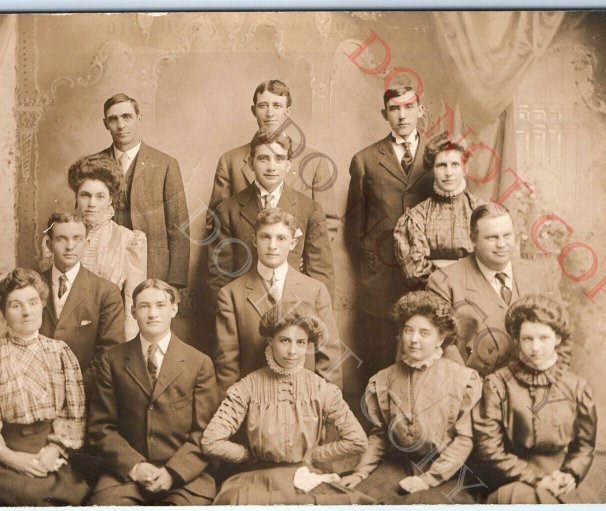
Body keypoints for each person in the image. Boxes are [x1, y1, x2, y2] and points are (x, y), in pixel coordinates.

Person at [201, 303, 372, 505]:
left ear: (308, 344)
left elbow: (358, 440)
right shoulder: (247, 387)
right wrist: (247, 456)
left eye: (300, 342)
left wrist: (314, 455)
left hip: (305, 476)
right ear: (270, 340)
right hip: (258, 478)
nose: (292, 351)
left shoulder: (321, 388)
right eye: (285, 340)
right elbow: (210, 442)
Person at [0, 268, 89, 506]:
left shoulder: (60, 353)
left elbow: (72, 414)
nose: (27, 312)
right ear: (3, 313)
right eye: (16, 305)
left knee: (74, 492)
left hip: (48, 454)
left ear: (42, 305)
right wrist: (15, 460)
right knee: (25, 495)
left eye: (33, 302)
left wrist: (53, 451)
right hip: (3, 458)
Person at [340, 291, 481, 504]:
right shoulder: (383, 379)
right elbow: (379, 435)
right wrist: (361, 472)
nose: (414, 339)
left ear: (440, 338)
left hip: (447, 470)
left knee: (424, 502)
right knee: (361, 497)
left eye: (424, 333)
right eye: (408, 330)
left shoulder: (463, 379)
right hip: (397, 464)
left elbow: (464, 440)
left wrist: (428, 480)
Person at [86, 280, 219, 505]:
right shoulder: (112, 360)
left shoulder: (199, 363)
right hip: (126, 475)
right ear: (133, 311)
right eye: (144, 306)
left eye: (161, 305)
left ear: (174, 309)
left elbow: (205, 433)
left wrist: (173, 472)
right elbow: (101, 428)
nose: (153, 313)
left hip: (185, 477)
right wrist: (135, 467)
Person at [344, 78, 432, 388]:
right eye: (394, 109)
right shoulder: (365, 160)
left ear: (420, 109)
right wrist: (372, 267)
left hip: (428, 275)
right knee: (381, 358)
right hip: (380, 280)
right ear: (385, 115)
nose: (403, 116)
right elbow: (354, 229)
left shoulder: (439, 158)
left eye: (409, 107)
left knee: (426, 354)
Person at [472, 295, 596, 504]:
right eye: (528, 339)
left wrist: (571, 474)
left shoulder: (576, 387)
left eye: (544, 338)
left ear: (557, 338)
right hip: (510, 477)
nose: (535, 348)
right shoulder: (496, 385)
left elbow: (584, 446)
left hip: (560, 477)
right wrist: (535, 479)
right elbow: (489, 449)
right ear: (518, 340)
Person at [427, 203, 566, 376]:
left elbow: (563, 334)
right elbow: (442, 348)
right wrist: (471, 389)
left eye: (507, 235)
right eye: (492, 238)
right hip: (476, 391)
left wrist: (549, 382)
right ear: (473, 240)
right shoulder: (444, 283)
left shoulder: (540, 275)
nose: (502, 244)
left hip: (536, 385)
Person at [215, 208, 342, 393]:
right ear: (254, 240)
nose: (272, 245)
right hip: (255, 401)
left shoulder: (315, 290)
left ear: (293, 243)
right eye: (265, 237)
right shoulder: (231, 294)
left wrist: (325, 411)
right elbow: (227, 367)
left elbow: (329, 358)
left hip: (304, 400)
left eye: (281, 238)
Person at [208, 129, 334, 301]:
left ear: (288, 165)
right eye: (263, 158)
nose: (271, 167)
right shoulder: (228, 210)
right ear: (251, 164)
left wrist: (317, 322)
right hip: (245, 307)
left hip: (294, 308)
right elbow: (219, 276)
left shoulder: (309, 209)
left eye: (279, 159)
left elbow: (321, 273)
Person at [209, 79, 338, 238]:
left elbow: (328, 222)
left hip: (296, 260)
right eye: (263, 106)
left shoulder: (315, 162)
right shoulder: (230, 161)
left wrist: (302, 256)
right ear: (253, 110)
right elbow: (216, 220)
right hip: (245, 258)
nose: (270, 113)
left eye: (277, 106)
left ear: (288, 111)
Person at [87, 93, 190, 289]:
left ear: (139, 118)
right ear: (105, 124)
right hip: (104, 266)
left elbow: (179, 227)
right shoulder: (93, 165)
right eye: (113, 119)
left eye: (127, 117)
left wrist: (174, 283)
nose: (121, 125)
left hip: (152, 268)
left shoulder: (165, 164)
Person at [39, 212, 127, 390]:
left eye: (77, 239)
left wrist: (74, 389)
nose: (70, 246)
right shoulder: (32, 287)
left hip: (86, 393)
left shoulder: (106, 292)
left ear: (87, 244)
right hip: (37, 391)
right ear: (49, 244)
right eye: (61, 239)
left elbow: (110, 354)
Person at [67, 155, 147, 341]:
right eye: (85, 195)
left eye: (100, 196)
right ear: (77, 196)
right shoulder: (61, 236)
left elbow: (132, 303)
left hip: (108, 333)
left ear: (111, 198)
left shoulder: (128, 240)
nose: (92, 204)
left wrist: (125, 351)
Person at [394, 132, 484, 287]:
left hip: (475, 294)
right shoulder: (416, 217)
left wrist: (437, 263)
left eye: (455, 165)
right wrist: (465, 265)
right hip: (431, 296)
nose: (448, 173)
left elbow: (488, 262)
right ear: (432, 169)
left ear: (465, 168)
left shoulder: (481, 211)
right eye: (442, 165)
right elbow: (415, 271)